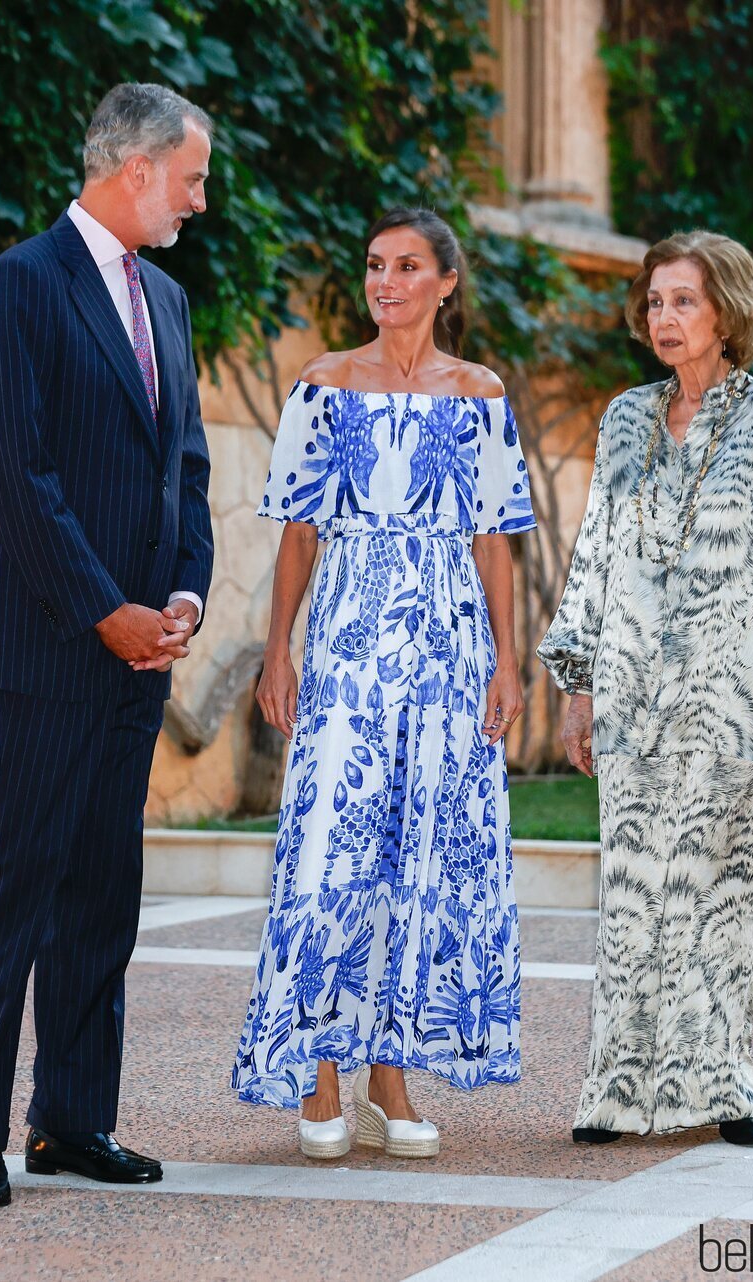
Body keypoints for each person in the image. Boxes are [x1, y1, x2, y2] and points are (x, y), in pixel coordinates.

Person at [538, 230, 753, 1148]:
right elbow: (596, 555)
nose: (665, 318)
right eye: (655, 303)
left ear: (726, 311)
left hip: (741, 696)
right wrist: (579, 684)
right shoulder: (623, 419)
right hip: (637, 690)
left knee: (723, 888)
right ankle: (615, 1090)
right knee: (636, 886)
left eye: (684, 301)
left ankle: (725, 1085)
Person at [0, 83, 214, 1207]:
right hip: (47, 646)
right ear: (138, 168)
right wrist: (109, 610)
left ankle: (71, 1122)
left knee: (103, 892)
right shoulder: (21, 283)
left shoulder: (168, 297)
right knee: (16, 887)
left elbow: (183, 466)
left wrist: (186, 594)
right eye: (192, 178)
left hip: (141, 654)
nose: (199, 201)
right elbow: (18, 475)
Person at [231, 207, 536, 1159]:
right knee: (331, 850)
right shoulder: (324, 385)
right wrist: (278, 651)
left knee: (423, 858)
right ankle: (320, 1075)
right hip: (350, 645)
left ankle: (390, 1078)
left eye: (408, 266)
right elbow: (299, 533)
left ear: (448, 281)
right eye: (375, 265)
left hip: (448, 650)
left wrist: (507, 657)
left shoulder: (482, 392)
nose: (386, 280)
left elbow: (495, 539)